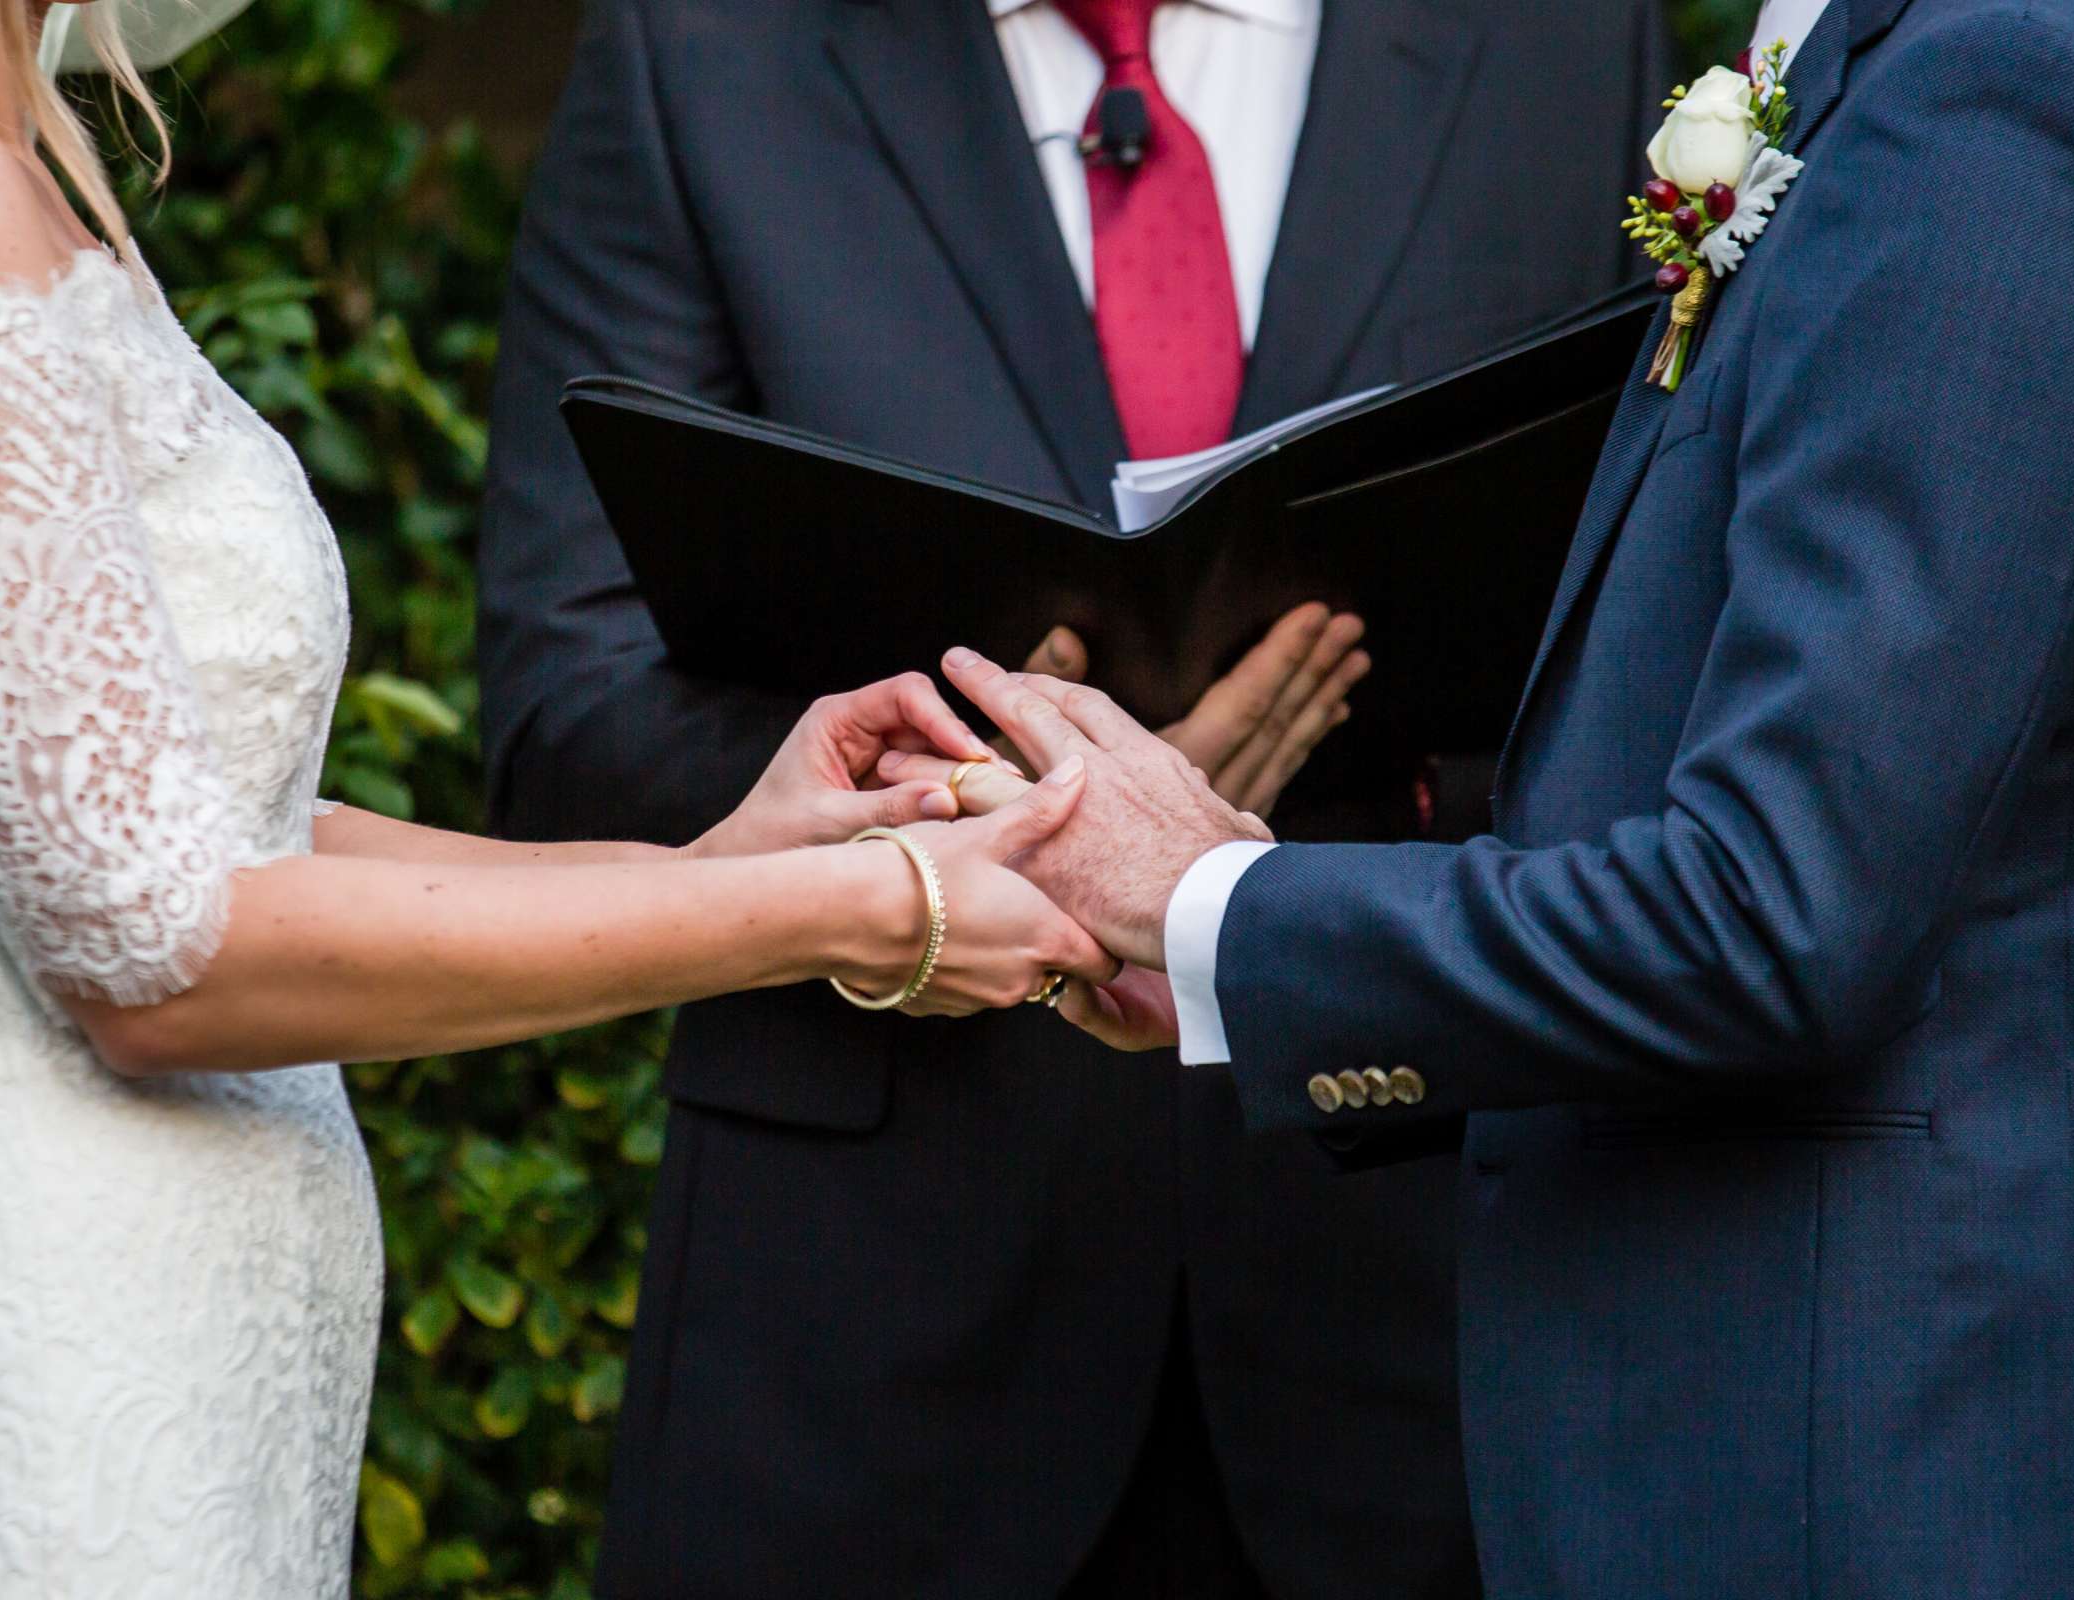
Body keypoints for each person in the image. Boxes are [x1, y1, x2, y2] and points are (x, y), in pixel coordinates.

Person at [0, 1, 1104, 1592]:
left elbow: (195, 826)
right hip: (8, 1345)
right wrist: (842, 911)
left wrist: (723, 856)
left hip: (147, 1353)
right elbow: (153, 951)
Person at [923, 0, 2074, 1594]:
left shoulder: (2011, 90)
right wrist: (1229, 943)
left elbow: (1782, 908)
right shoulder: (1898, 63)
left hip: (1881, 1461)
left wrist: (1210, 908)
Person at [478, 1, 1674, 1594]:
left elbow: (1662, 659)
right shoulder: (706, 48)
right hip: (865, 1348)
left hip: (1405, 1309)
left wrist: (1328, 781)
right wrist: (991, 799)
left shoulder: (1558, 45)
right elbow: (566, 706)